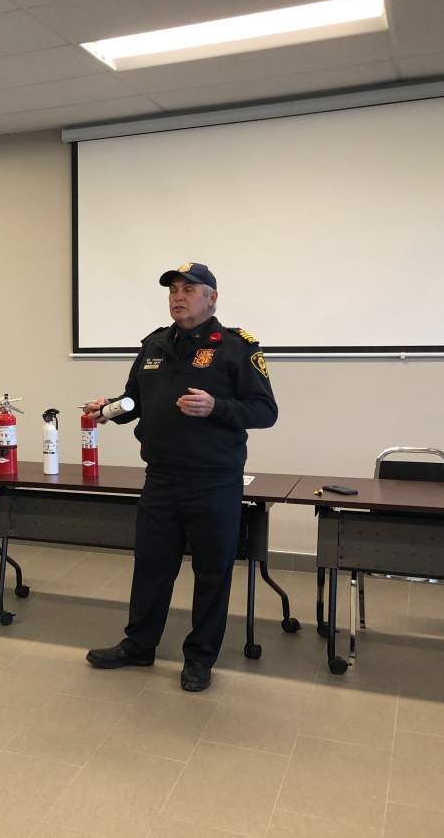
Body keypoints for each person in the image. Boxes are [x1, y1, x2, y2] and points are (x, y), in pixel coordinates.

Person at [83, 262, 277, 692]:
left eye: (189, 289)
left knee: (212, 572)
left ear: (211, 298)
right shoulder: (154, 345)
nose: (178, 296)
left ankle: (200, 657)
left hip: (215, 480)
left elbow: (266, 411)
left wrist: (218, 407)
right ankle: (139, 645)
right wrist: (107, 410)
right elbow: (135, 399)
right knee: (151, 567)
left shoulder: (236, 348)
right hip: (161, 478)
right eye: (173, 289)